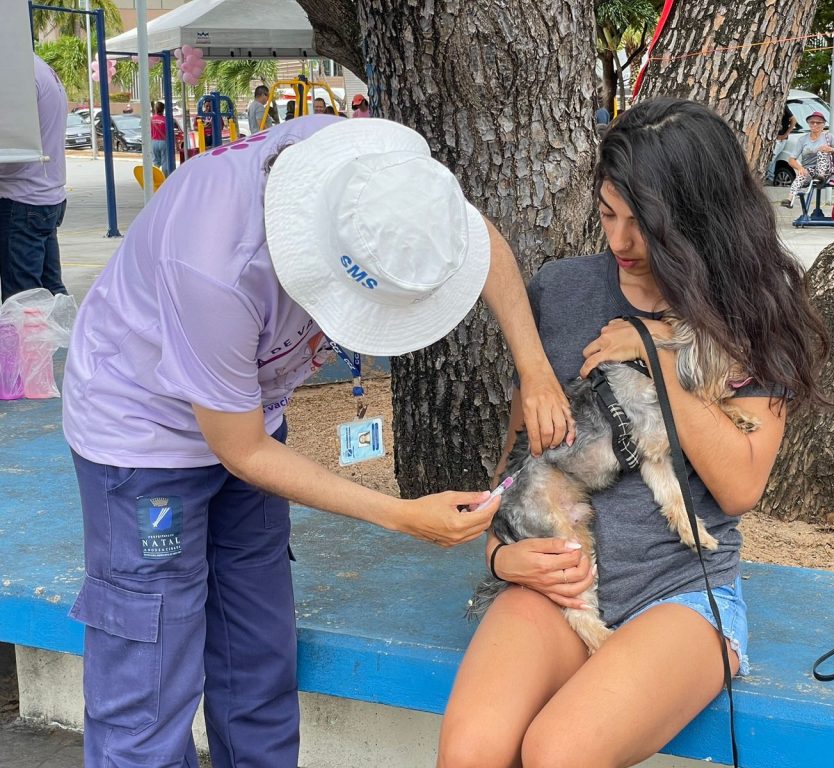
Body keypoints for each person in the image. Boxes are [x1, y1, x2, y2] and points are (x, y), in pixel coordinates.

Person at [61, 116, 574, 768]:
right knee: (150, 675)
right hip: (143, 435)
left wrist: (533, 370)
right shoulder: (215, 264)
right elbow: (241, 450)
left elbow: (475, 240)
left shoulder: (374, 176)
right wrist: (399, 515)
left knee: (257, 653)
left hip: (249, 414)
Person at [438, 98, 829, 768]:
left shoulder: (756, 320)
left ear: (697, 222)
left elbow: (738, 487)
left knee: (557, 753)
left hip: (680, 595)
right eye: (607, 213)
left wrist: (655, 355)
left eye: (641, 225)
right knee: (471, 751)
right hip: (558, 582)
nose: (617, 243)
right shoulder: (562, 292)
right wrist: (502, 559)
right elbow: (524, 469)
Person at [0, 54, 69, 302]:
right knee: (51, 290)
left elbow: (13, 151)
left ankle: (33, 342)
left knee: (22, 299)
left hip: (22, 200)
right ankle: (70, 338)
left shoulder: (17, 75)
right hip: (45, 196)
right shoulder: (39, 67)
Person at [780, 110, 834, 208]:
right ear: (809, 124)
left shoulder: (828, 137)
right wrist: (800, 168)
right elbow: (791, 159)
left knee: (822, 151)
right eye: (812, 122)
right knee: (800, 176)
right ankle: (790, 199)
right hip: (809, 170)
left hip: (825, 171)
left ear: (823, 125)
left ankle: (820, 177)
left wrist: (830, 149)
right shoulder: (803, 140)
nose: (815, 124)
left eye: (818, 122)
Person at [150, 101, 170, 176]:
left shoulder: (151, 119)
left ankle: (156, 178)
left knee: (155, 162)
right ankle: (165, 178)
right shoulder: (165, 120)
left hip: (154, 142)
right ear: (163, 109)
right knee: (165, 162)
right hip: (163, 142)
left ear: (155, 109)